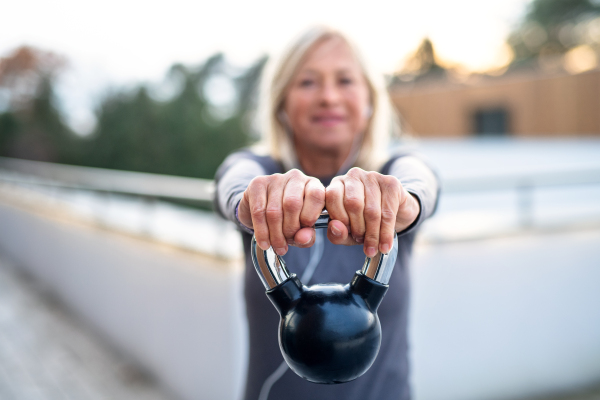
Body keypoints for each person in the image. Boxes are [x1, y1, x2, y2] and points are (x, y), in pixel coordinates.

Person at [214, 26, 439, 400]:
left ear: (369, 102)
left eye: (345, 80)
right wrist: (254, 201)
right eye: (307, 83)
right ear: (281, 103)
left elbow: (422, 181)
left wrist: (404, 203)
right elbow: (233, 181)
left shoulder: (396, 169)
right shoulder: (257, 168)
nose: (329, 97)